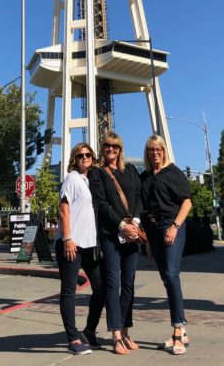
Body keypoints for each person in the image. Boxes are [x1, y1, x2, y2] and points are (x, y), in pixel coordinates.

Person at [89, 132, 143, 355]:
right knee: (113, 283)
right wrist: (121, 225)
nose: (110, 149)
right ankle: (115, 335)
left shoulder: (130, 170)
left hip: (131, 235)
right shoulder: (97, 173)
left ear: (120, 149)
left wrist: (136, 223)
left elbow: (139, 197)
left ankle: (126, 329)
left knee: (128, 283)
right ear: (102, 149)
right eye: (107, 146)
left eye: (115, 146)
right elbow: (101, 204)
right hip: (111, 235)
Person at [141, 134, 192, 356]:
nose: (155, 153)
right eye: (151, 150)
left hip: (171, 226)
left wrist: (175, 227)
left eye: (158, 149)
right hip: (153, 230)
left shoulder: (174, 173)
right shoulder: (144, 177)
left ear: (164, 150)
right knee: (165, 278)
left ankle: (178, 329)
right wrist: (148, 240)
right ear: (147, 153)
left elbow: (187, 202)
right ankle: (182, 328)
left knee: (172, 276)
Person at [55, 141, 105, 356]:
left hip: (90, 245)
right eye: (80, 155)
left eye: (88, 155)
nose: (85, 158)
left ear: (93, 158)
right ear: (74, 159)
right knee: (69, 290)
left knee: (101, 288)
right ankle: (72, 338)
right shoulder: (72, 179)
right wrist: (67, 238)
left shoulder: (91, 181)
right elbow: (64, 210)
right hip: (72, 244)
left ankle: (89, 331)